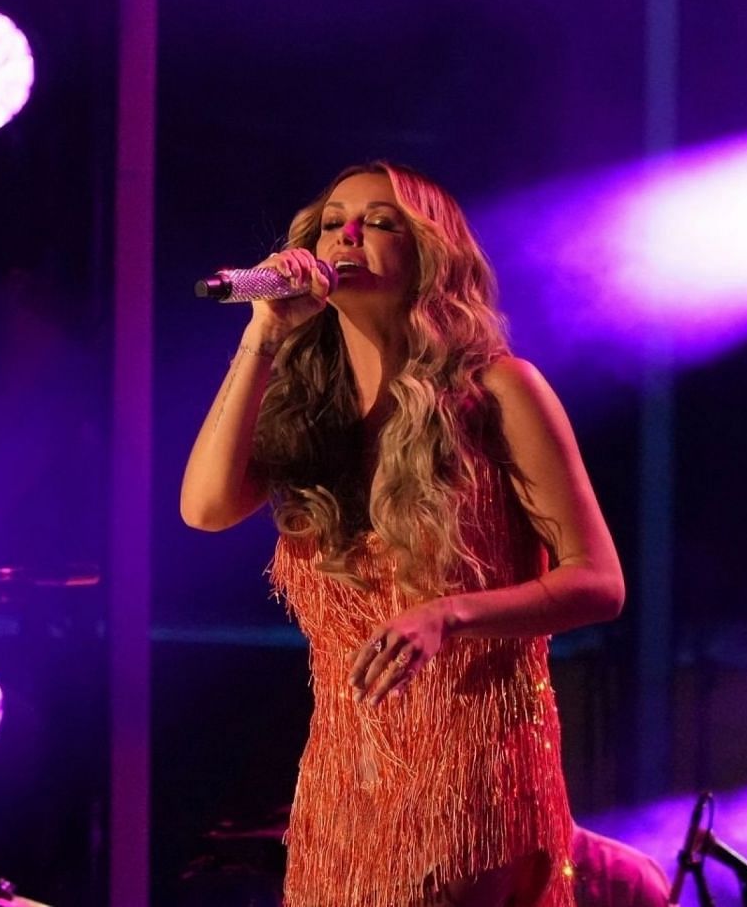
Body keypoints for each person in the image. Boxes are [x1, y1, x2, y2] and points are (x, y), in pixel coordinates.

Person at [180, 161, 625, 907]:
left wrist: (450, 614)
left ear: (430, 256)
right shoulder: (305, 410)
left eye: (380, 221)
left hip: (472, 774)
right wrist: (263, 335)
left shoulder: (499, 390)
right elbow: (205, 507)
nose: (347, 233)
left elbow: (598, 581)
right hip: (342, 789)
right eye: (333, 220)